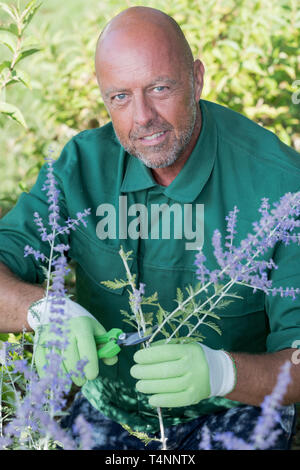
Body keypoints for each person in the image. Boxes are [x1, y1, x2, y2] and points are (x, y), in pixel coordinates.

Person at [0, 6, 299, 450]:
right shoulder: (82, 167)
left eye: (160, 88)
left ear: (197, 79)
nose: (142, 117)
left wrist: (222, 372)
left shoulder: (281, 187)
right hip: (109, 407)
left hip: (234, 412)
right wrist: (46, 310)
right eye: (119, 96)